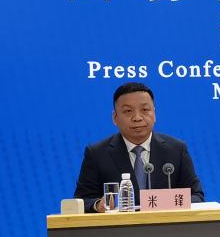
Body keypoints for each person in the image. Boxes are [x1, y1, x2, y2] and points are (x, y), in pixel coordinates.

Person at [74, 82, 205, 212]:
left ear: (154, 114)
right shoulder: (97, 153)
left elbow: (197, 196)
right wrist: (98, 205)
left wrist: (159, 202)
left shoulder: (176, 149)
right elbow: (81, 200)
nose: (137, 118)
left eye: (145, 110)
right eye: (128, 111)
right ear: (115, 118)